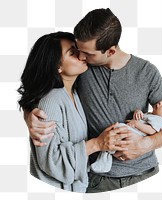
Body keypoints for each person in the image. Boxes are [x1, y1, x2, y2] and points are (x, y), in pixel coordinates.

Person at [25, 8, 162, 193]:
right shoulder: (81, 70)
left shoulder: (147, 71)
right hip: (96, 178)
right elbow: (43, 85)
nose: (82, 56)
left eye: (87, 53)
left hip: (145, 172)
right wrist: (29, 114)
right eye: (77, 50)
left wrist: (145, 145)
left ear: (111, 51)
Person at [17, 32, 132, 192]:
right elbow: (51, 162)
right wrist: (97, 144)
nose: (81, 55)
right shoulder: (51, 101)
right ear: (56, 66)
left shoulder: (74, 92)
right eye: (72, 53)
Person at [91, 99, 162, 173]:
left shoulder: (159, 120)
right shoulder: (152, 115)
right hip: (133, 131)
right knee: (116, 132)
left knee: (119, 128)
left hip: (136, 135)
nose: (160, 103)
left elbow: (151, 131)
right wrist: (138, 112)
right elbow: (143, 119)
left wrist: (136, 124)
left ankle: (106, 156)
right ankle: (105, 156)